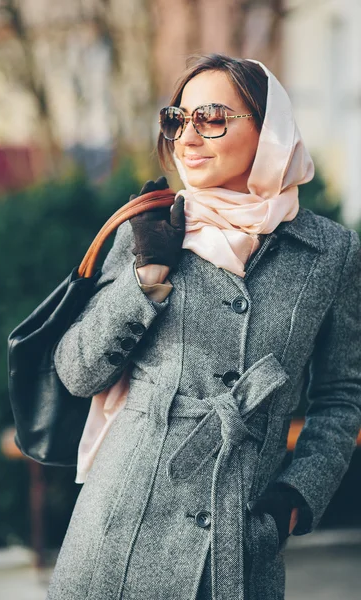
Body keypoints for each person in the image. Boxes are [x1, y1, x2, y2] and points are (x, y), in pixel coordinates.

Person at [46, 55, 361, 600]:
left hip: (238, 542)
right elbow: (76, 372)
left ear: (269, 131)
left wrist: (294, 498)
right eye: (177, 119)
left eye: (212, 117)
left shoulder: (330, 252)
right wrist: (144, 278)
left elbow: (342, 395)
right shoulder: (149, 228)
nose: (188, 137)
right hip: (118, 528)